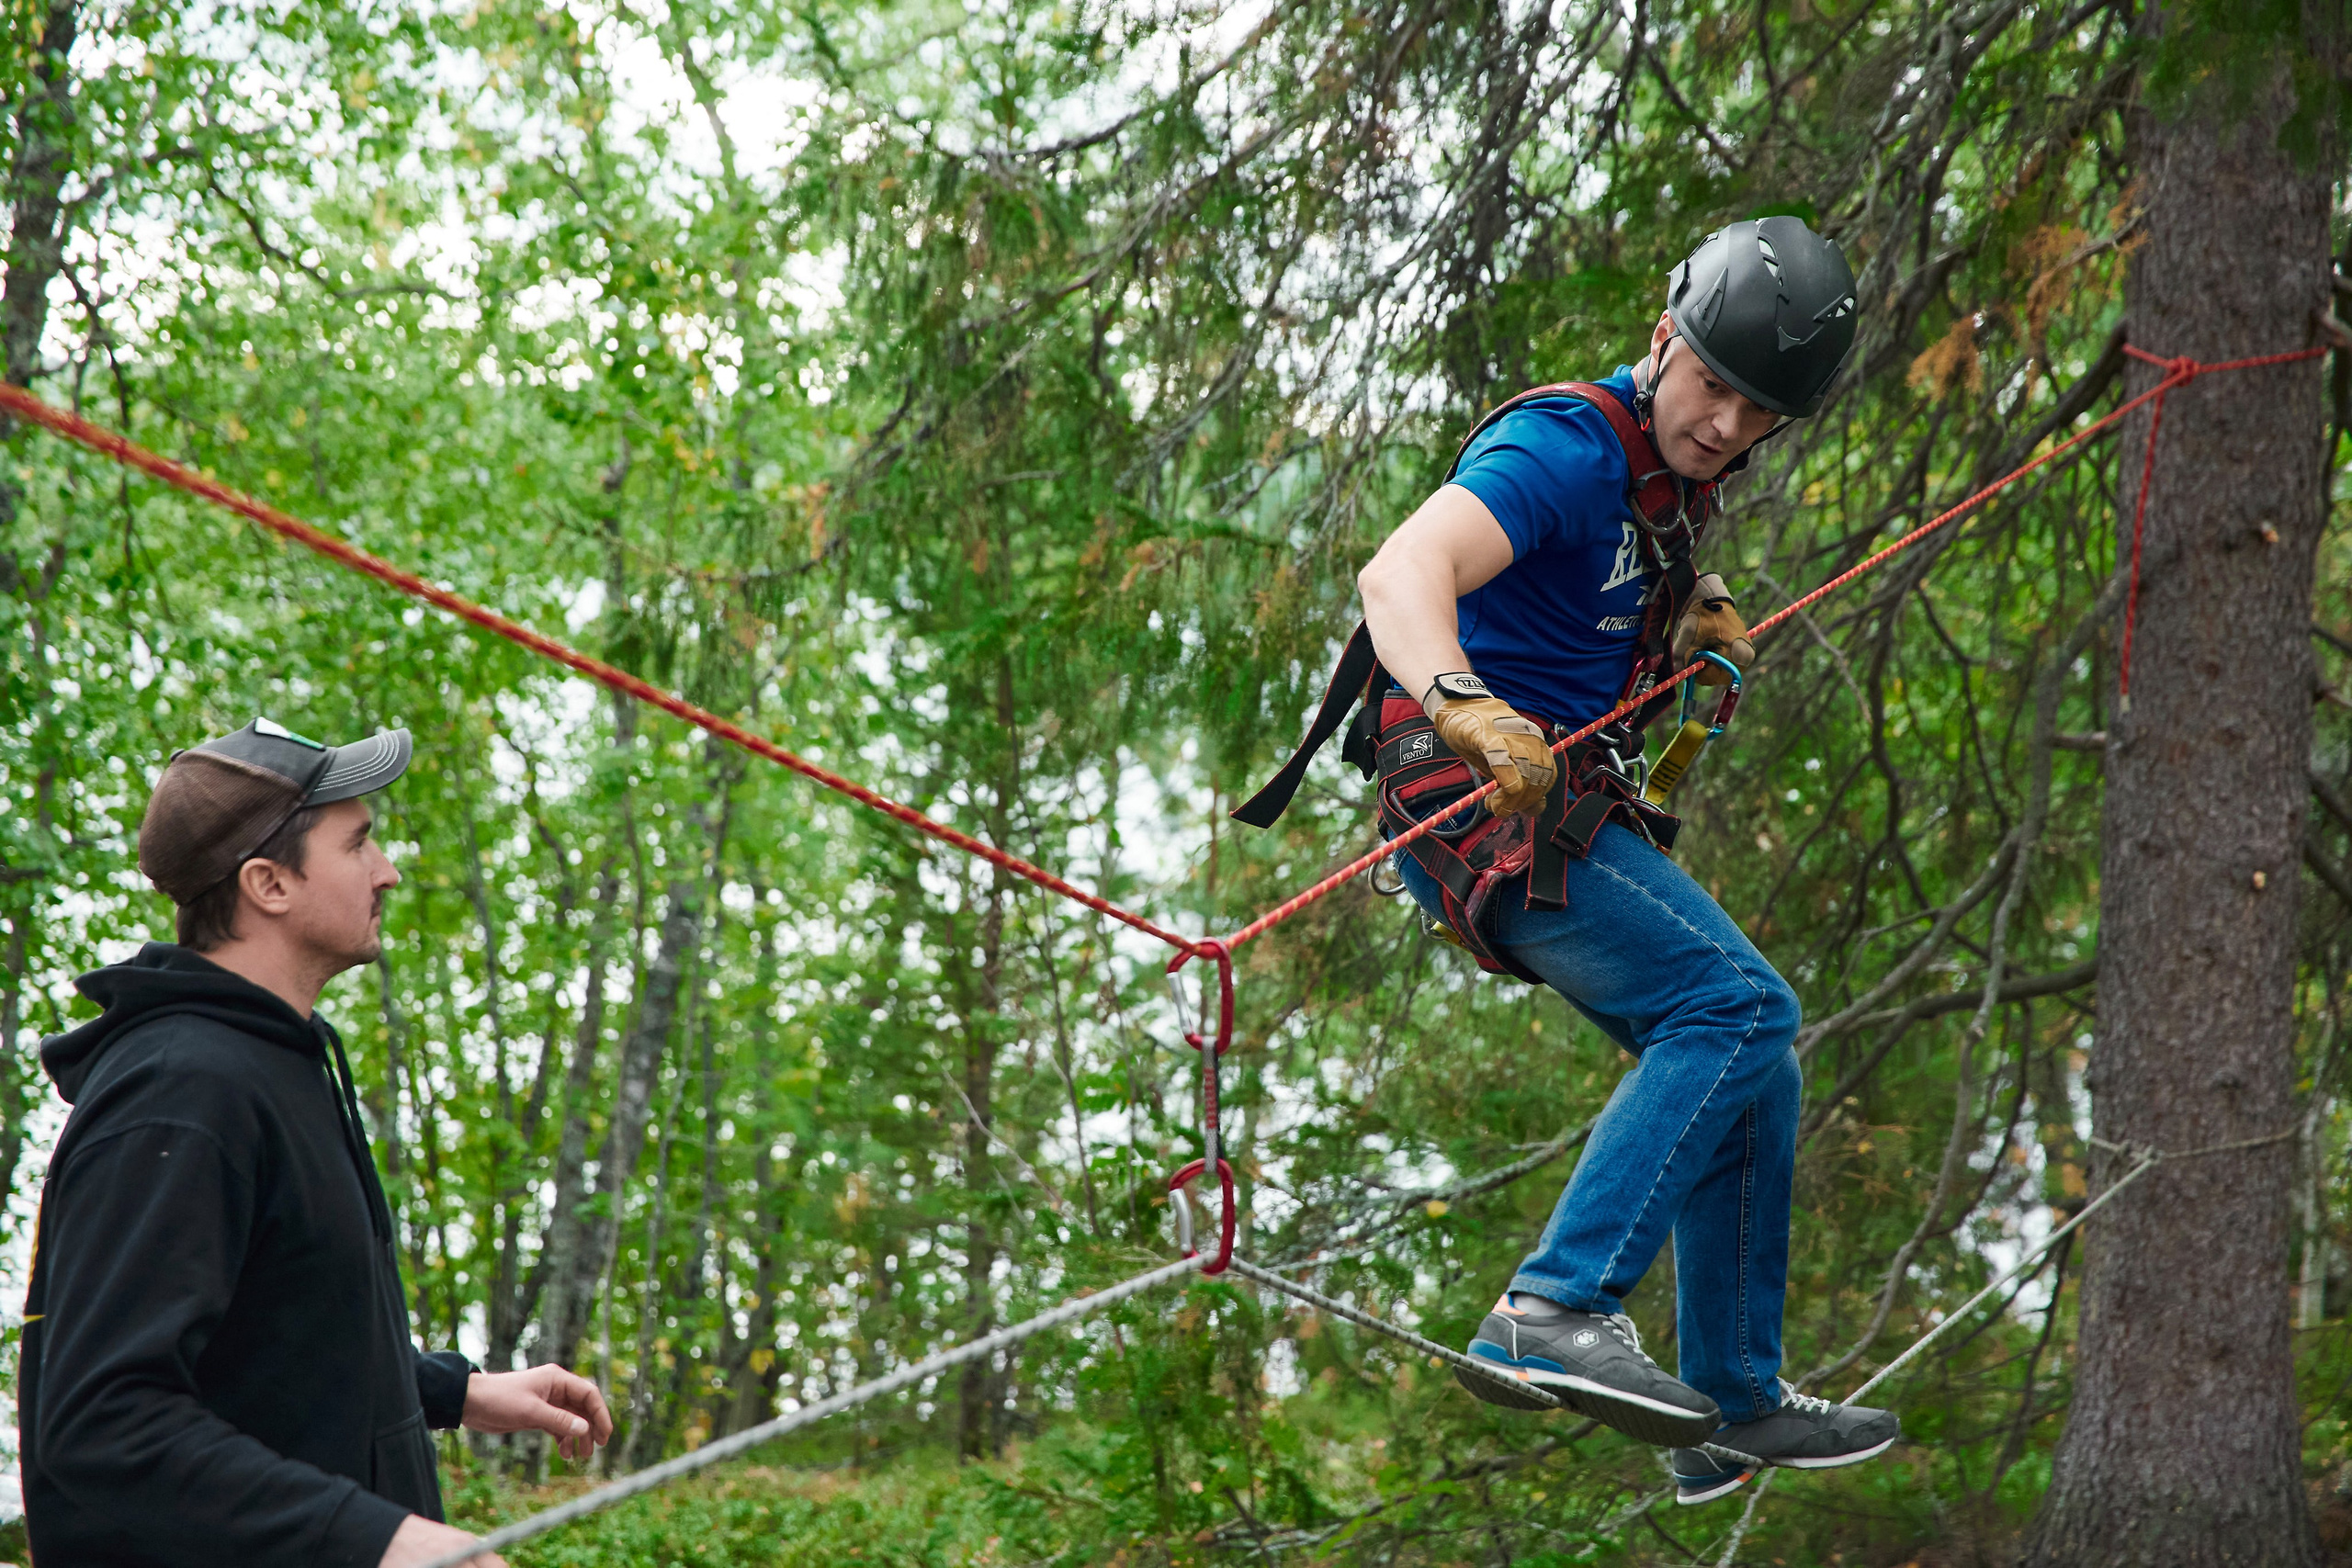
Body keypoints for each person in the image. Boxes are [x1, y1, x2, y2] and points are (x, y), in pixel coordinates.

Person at [1238, 218, 1896, 1505]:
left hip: (1545, 807)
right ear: (1665, 340)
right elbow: (1403, 569)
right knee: (1737, 1004)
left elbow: (1576, 610)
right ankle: (1552, 1303)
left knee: (1756, 1059)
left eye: (1757, 410)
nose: (1722, 422)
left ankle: (1732, 1401)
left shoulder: (1669, 486)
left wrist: (1678, 635)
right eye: (1711, 382)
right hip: (1472, 802)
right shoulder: (1566, 445)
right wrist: (1464, 701)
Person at [20, 717, 614, 1566]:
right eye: (360, 843)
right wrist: (383, 1540)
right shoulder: (182, 1090)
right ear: (269, 883)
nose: (389, 871)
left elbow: (276, 1348)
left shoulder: (271, 1064)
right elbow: (103, 1421)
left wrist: (457, 1390)